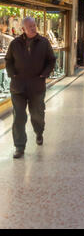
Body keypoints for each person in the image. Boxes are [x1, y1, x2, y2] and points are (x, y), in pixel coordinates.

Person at [5, 17, 56, 159]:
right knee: (19, 117)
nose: (33, 28)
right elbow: (8, 60)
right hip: (18, 87)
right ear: (23, 29)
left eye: (34, 25)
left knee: (37, 115)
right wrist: (12, 74)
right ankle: (19, 147)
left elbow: (51, 60)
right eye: (30, 26)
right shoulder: (15, 44)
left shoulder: (44, 42)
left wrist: (44, 74)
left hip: (36, 86)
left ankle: (39, 132)